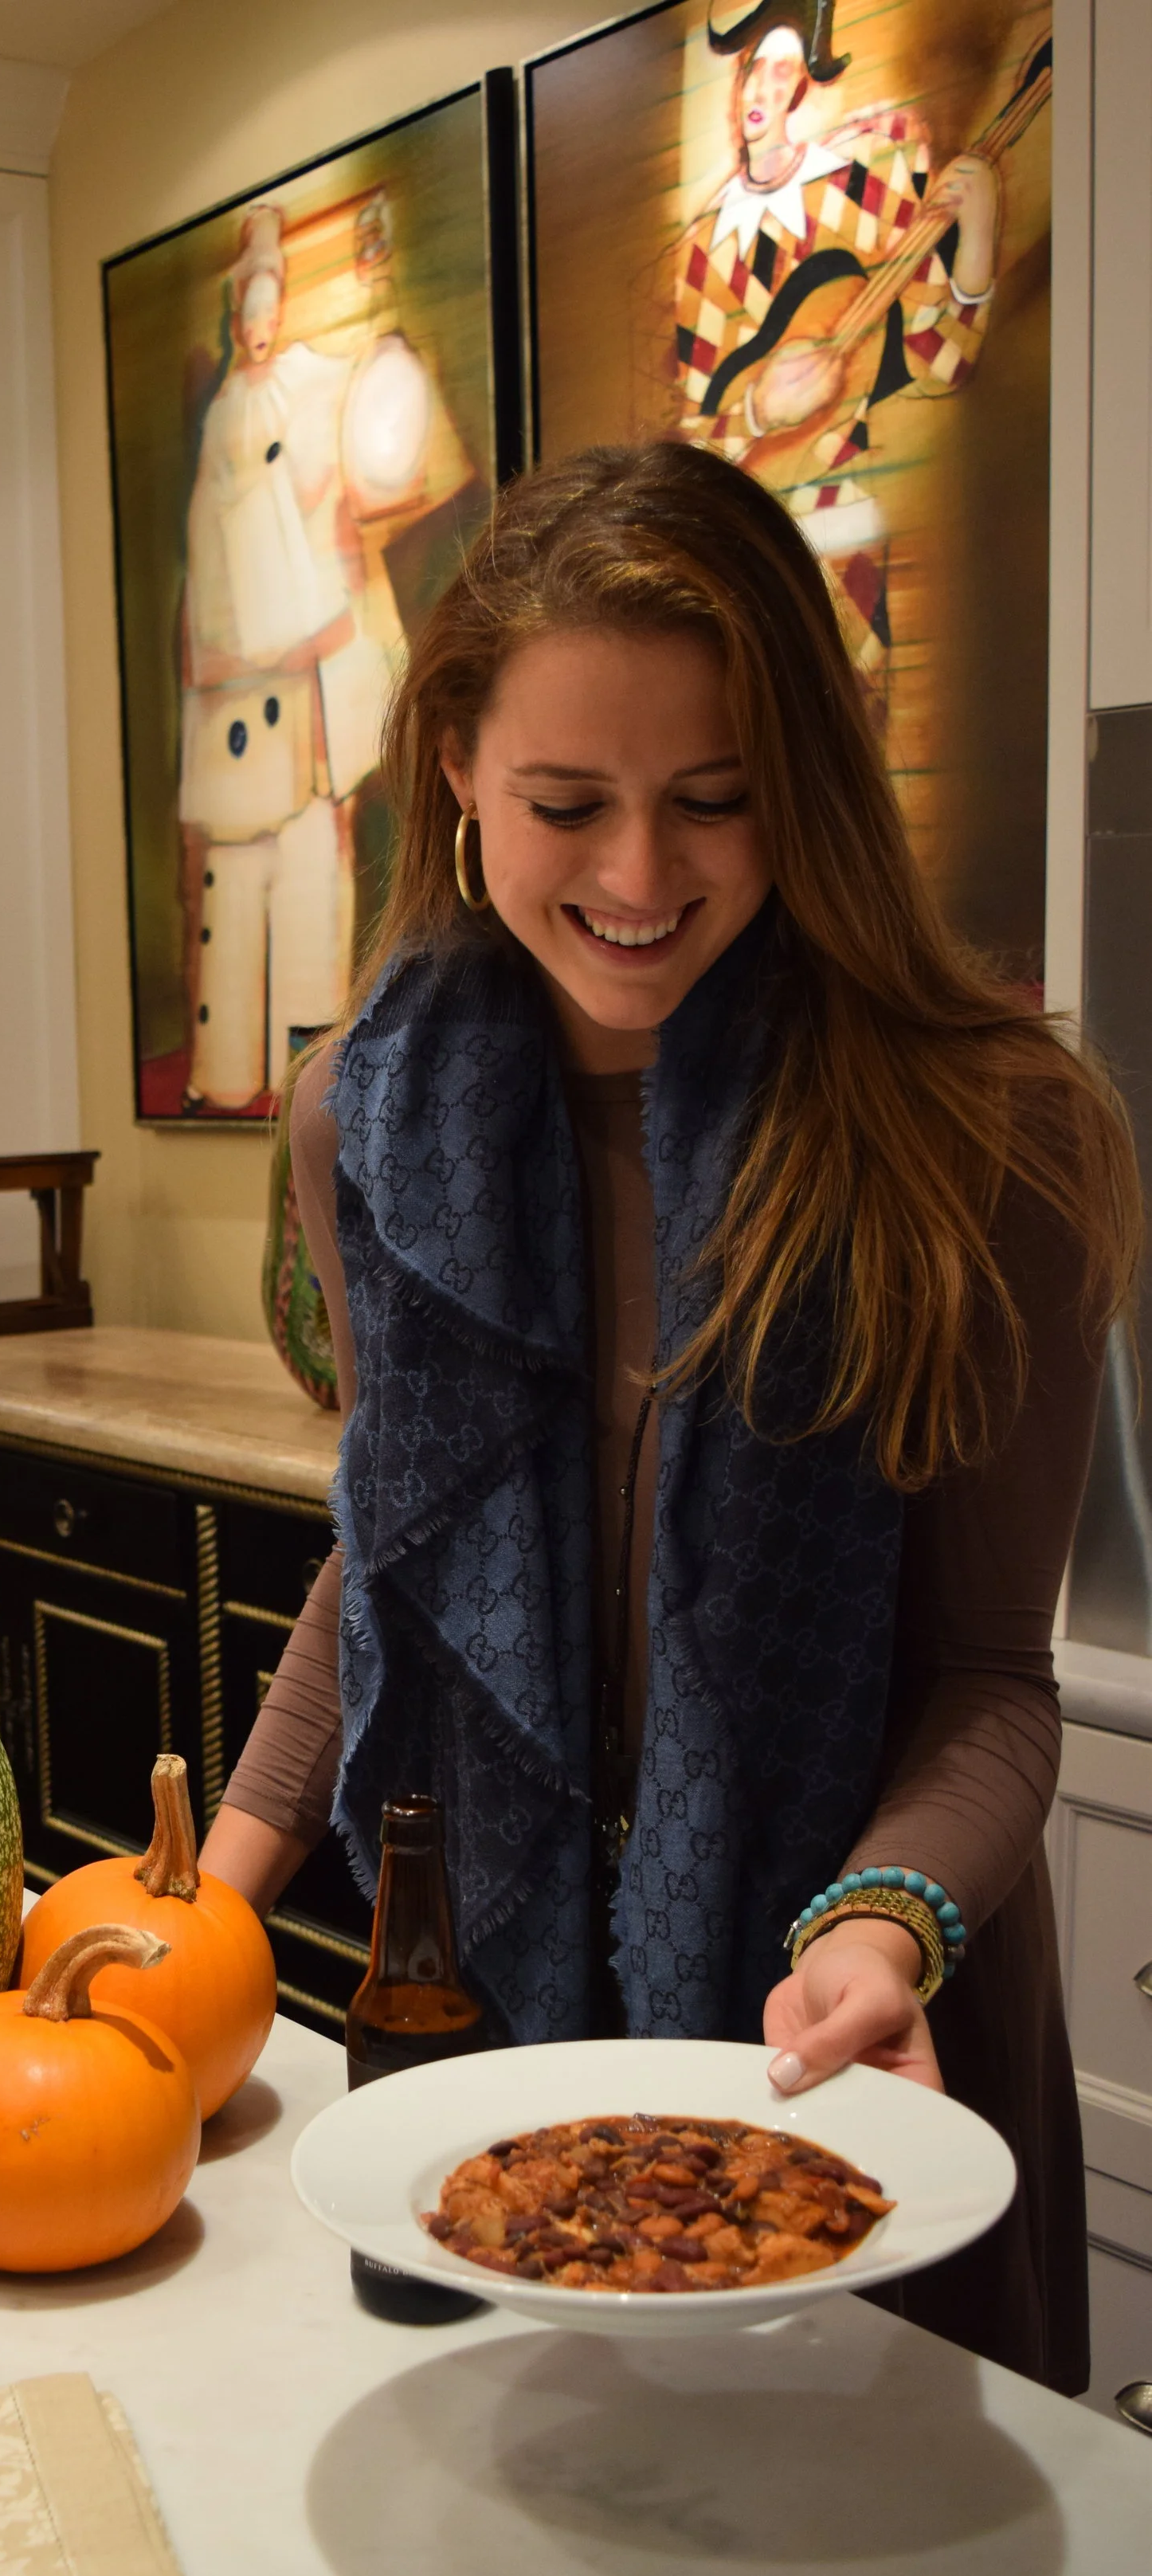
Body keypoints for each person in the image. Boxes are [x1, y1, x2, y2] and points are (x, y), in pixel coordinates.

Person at [202, 441, 1137, 2394]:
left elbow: (989, 1676)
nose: (637, 877)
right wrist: (199, 1900)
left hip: (860, 2039)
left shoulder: (989, 1139)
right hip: (501, 2041)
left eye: (714, 802)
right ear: (454, 764)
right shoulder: (361, 1124)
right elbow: (394, 1561)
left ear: (800, 782)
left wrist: (884, 1928)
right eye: (568, 804)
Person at [178, 199, 463, 1110]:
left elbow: (379, 450)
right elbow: (216, 570)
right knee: (240, 877)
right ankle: (228, 1073)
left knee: (310, 874)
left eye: (268, 309)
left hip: (301, 696)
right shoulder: (227, 426)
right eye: (245, 313)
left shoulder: (312, 387)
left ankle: (305, 1070)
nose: (258, 329)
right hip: (242, 702)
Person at [674, 2, 1007, 724]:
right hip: (742, 553)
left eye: (783, 71)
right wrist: (762, 407)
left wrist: (976, 240)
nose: (762, 90)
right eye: (752, 71)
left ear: (807, 87)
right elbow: (694, 448)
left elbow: (939, 361)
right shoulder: (705, 248)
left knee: (850, 755)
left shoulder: (868, 182)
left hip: (844, 540)